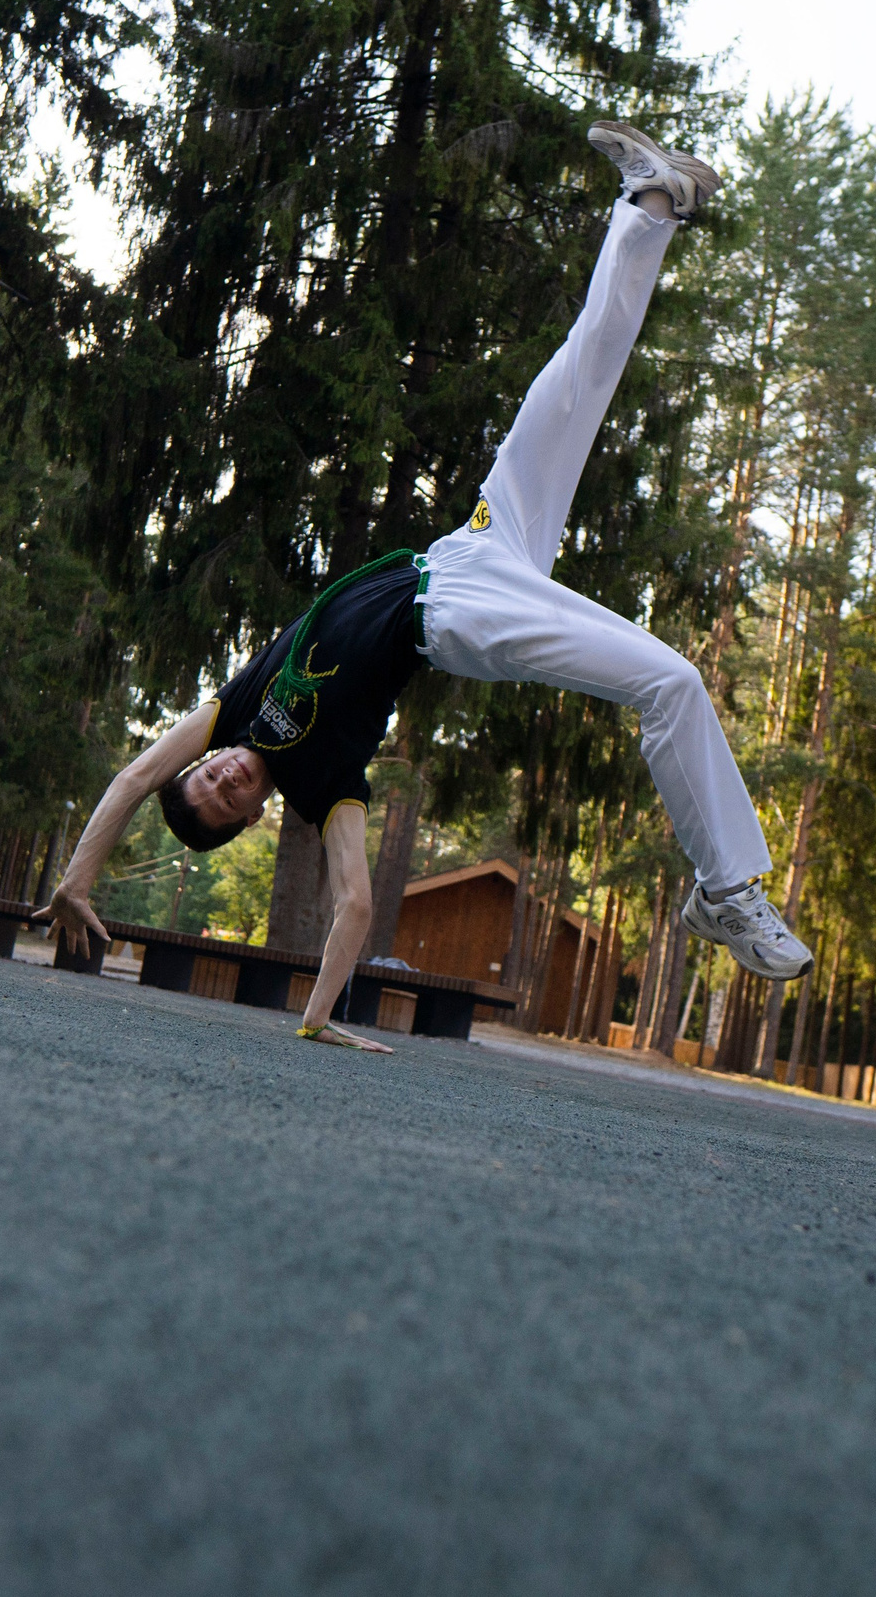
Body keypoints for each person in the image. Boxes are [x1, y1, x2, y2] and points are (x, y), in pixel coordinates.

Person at [48, 123, 814, 1052]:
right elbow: (356, 904)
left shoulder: (236, 707)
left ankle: (654, 201)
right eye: (225, 797)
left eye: (204, 777)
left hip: (474, 544)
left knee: (579, 373)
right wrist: (320, 1019)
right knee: (671, 680)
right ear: (253, 815)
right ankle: (725, 891)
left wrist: (77, 878)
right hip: (454, 617)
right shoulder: (323, 786)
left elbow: (135, 775)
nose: (221, 775)